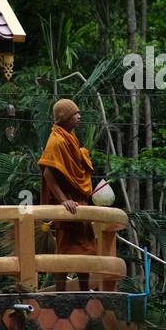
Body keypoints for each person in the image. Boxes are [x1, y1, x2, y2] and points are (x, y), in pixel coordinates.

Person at [37, 99, 96, 291]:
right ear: (64, 117)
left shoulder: (70, 137)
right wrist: (64, 200)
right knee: (64, 250)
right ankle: (60, 293)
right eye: (74, 114)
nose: (79, 116)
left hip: (79, 201)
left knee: (86, 249)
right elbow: (48, 173)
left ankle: (84, 291)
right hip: (68, 203)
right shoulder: (56, 140)